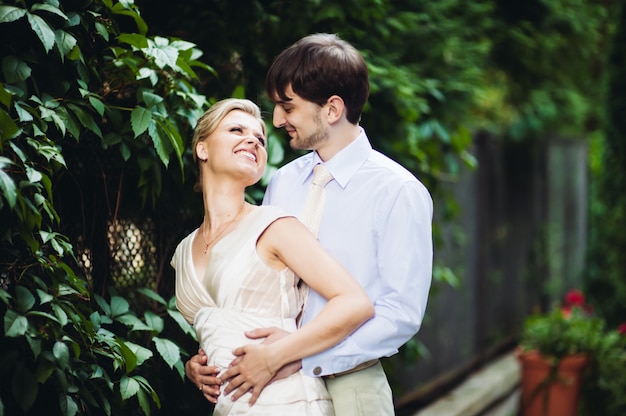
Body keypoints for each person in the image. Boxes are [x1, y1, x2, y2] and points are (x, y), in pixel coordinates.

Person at [186, 33, 433, 416]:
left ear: (332, 109)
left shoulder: (398, 190)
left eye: (288, 106)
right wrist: (210, 354)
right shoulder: (283, 180)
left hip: (352, 382)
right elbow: (258, 284)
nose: (279, 119)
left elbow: (400, 313)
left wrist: (301, 356)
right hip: (267, 388)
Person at [171, 97, 374, 415]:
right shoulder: (183, 250)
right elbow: (223, 322)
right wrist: (196, 365)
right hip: (231, 405)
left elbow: (355, 303)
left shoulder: (274, 226)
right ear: (202, 149)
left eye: (260, 139)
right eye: (236, 129)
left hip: (286, 400)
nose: (252, 139)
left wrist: (280, 353)